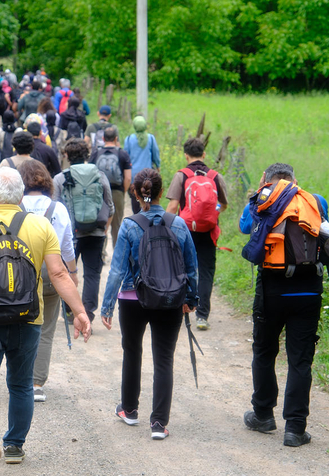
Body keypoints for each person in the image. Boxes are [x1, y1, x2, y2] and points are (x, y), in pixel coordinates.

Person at [0, 167, 91, 475]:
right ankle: (14, 447)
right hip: (28, 318)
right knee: (21, 384)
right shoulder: (39, 226)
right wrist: (79, 312)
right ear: (21, 197)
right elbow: (59, 274)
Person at [100, 168, 198, 441]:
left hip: (133, 299)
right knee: (164, 359)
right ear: (159, 191)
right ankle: (158, 424)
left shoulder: (130, 225)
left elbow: (117, 271)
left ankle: (129, 410)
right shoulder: (178, 224)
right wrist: (192, 299)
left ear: (136, 192)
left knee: (132, 353)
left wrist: (107, 306)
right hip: (170, 299)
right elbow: (192, 268)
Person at [240, 163, 329, 448]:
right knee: (300, 360)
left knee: (264, 351)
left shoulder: (260, 200)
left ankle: (264, 414)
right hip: (308, 291)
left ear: (266, 179)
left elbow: (244, 227)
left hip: (272, 290)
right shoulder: (315, 200)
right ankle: (295, 429)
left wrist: (258, 192)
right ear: (295, 180)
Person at [18, 160, 78, 403]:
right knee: (45, 330)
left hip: (18, 276)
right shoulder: (58, 209)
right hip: (50, 276)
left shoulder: (14, 206)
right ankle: (36, 383)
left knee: (19, 326)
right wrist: (73, 275)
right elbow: (67, 247)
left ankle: (19, 377)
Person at [165, 138, 228, 331]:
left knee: (181, 268)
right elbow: (223, 204)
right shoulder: (215, 176)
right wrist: (213, 212)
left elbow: (173, 206)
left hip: (185, 231)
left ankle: (181, 307)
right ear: (204, 154)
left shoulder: (181, 176)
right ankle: (202, 316)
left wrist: (165, 228)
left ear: (186, 155)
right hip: (208, 231)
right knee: (206, 272)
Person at [54, 138, 114, 329]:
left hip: (69, 235)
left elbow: (55, 209)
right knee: (92, 274)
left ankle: (71, 311)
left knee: (66, 272)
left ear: (67, 156)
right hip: (96, 232)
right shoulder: (100, 175)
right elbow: (110, 207)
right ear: (87, 155)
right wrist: (104, 229)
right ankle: (87, 312)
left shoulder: (60, 178)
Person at [89, 127, 132, 251]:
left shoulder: (96, 153)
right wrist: (122, 191)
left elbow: (90, 173)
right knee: (117, 224)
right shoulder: (122, 153)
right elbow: (128, 178)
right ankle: (117, 252)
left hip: (99, 192)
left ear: (103, 139)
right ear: (116, 138)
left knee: (101, 222)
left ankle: (101, 252)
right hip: (117, 191)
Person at [124, 116, 160, 213]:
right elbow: (156, 155)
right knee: (147, 195)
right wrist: (158, 166)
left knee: (135, 197)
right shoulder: (151, 138)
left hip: (133, 176)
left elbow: (126, 158)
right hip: (147, 175)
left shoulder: (128, 140)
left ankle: (137, 216)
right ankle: (146, 212)